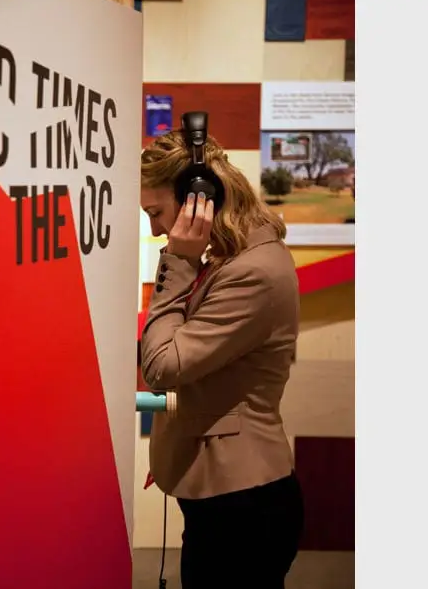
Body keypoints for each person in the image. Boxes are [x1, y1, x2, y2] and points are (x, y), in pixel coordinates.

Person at [139, 130, 304, 589]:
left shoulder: (251, 272)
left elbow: (162, 367)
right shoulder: (231, 260)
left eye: (155, 213)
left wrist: (176, 261)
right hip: (223, 496)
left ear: (199, 200)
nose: (154, 230)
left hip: (243, 507)